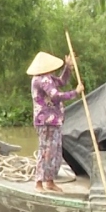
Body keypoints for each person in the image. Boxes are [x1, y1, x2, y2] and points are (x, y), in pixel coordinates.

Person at [27, 51, 82, 193]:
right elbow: (55, 96)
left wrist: (68, 68)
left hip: (54, 121)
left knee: (55, 152)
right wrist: (75, 92)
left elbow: (61, 82)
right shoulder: (41, 80)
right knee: (45, 151)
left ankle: (50, 181)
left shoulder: (48, 78)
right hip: (46, 121)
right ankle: (39, 182)